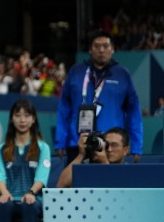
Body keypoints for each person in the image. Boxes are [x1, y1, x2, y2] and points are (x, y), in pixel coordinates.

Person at [55, 30, 143, 164]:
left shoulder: (122, 74)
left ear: (112, 49)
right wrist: (60, 141)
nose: (101, 50)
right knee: (75, 183)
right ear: (90, 49)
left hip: (110, 145)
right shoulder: (76, 72)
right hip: (78, 142)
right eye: (96, 46)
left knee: (109, 183)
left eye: (106, 46)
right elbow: (63, 109)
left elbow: (133, 111)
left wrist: (137, 145)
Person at [0, 98, 51, 222]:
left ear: (33, 119)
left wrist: (31, 192)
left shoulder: (43, 148)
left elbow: (42, 177)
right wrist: (4, 193)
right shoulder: (1, 149)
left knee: (29, 206)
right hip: (10, 198)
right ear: (12, 119)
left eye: (26, 115)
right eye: (18, 115)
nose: (22, 120)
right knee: (3, 206)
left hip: (34, 199)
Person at [56, 127, 130, 188]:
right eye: (107, 144)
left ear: (125, 150)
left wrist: (105, 164)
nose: (109, 149)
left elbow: (116, 192)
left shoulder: (129, 171)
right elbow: (61, 185)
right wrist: (81, 154)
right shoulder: (91, 166)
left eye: (114, 145)